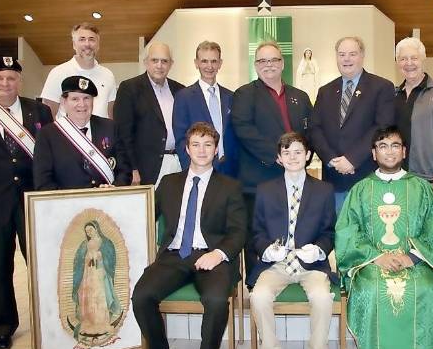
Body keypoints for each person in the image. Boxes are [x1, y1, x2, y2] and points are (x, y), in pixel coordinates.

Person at [335, 126, 433, 349]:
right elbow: (348, 232)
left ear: (404, 152)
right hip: (371, 264)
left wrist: (410, 257)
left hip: (416, 262)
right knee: (372, 291)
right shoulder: (360, 190)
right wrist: (377, 257)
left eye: (394, 146)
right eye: (382, 146)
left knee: (430, 290)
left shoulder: (422, 188)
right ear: (373, 154)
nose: (389, 152)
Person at [132, 122, 247, 349]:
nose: (202, 150)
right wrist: (110, 197)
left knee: (216, 301)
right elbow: (141, 213)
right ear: (187, 149)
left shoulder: (230, 187)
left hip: (211, 256)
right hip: (173, 257)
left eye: (208, 145)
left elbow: (238, 232)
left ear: (216, 150)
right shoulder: (168, 183)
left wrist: (218, 254)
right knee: (141, 296)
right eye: (196, 144)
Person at [0, 57, 52, 349]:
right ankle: (2, 326)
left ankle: (49, 318)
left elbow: (48, 154)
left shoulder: (39, 111)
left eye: (11, 78)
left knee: (41, 264)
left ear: (20, 81)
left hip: (32, 201)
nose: (5, 84)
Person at [249, 132, 336, 349]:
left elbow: (329, 232)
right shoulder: (265, 189)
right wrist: (266, 249)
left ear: (308, 155)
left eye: (298, 152)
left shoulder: (324, 190)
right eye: (286, 152)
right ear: (279, 158)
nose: (293, 157)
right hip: (277, 264)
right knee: (258, 297)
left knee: (322, 298)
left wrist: (318, 249)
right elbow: (256, 231)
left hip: (311, 265)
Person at [232, 40, 312, 275]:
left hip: (296, 179)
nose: (269, 65)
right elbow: (244, 130)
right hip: (258, 179)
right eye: (262, 61)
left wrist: (302, 157)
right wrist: (278, 156)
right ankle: (257, 282)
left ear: (282, 63)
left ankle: (294, 275)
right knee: (259, 236)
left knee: (293, 231)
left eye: (274, 60)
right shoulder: (245, 94)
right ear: (255, 65)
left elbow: (311, 132)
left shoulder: (300, 96)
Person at [310, 36, 395, 212]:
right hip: (333, 178)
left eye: (352, 54)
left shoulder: (381, 87)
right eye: (341, 54)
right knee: (339, 233)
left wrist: (352, 159)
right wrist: (331, 159)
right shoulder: (325, 91)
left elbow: (382, 127)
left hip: (367, 175)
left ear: (362, 55)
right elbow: (315, 128)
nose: (346, 59)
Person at [34, 75, 131, 190]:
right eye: (75, 99)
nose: (82, 104)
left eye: (86, 98)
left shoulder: (110, 127)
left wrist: (113, 188)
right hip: (67, 205)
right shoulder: (48, 134)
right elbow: (43, 181)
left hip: (106, 204)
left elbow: (125, 171)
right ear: (64, 101)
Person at [392, 37, 433, 198]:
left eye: (414, 58)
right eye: (403, 59)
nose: (409, 63)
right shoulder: (394, 94)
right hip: (397, 175)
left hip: (429, 178)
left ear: (423, 59)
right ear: (398, 63)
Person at [114, 42, 184, 187]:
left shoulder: (180, 90)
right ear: (146, 62)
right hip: (145, 169)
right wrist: (132, 169)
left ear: (171, 64)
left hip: (178, 164)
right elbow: (123, 134)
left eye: (164, 61)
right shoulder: (129, 88)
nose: (159, 65)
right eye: (154, 60)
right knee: (150, 209)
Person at [173, 41, 238, 176]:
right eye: (204, 61)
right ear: (196, 63)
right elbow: (181, 139)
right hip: (199, 169)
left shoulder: (232, 97)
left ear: (220, 63)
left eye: (214, 61)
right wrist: (191, 169)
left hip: (230, 171)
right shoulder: (183, 97)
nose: (209, 66)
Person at [41, 22, 116, 118]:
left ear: (98, 45)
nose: (87, 44)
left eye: (92, 39)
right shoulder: (58, 73)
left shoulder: (108, 75)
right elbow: (47, 114)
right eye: (82, 39)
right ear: (74, 44)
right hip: (67, 132)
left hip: (101, 133)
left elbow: (111, 114)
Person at [71, 220, 122, 349]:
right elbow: (78, 261)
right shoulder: (85, 244)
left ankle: (101, 323)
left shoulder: (105, 243)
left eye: (91, 230)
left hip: (100, 274)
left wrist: (100, 256)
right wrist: (86, 259)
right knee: (88, 298)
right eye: (87, 231)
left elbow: (110, 257)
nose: (89, 232)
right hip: (88, 275)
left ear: (96, 229)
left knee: (100, 298)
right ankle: (89, 323)